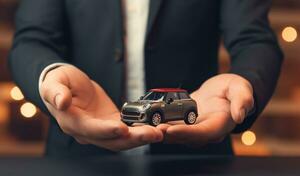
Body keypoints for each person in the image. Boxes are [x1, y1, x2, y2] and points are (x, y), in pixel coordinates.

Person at [9, 0, 283, 157]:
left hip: (195, 165)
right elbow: (32, 40)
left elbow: (255, 41)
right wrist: (50, 75)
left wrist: (243, 81)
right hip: (77, 165)